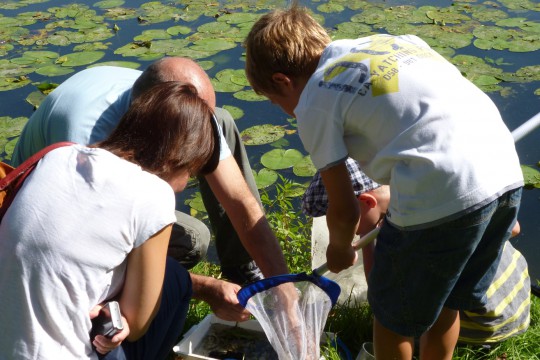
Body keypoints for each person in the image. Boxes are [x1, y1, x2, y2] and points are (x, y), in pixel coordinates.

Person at [244, 6, 524, 359]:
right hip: (504, 173)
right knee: (446, 302)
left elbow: (344, 210)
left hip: (441, 189)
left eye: (275, 100)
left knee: (392, 321)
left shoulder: (315, 97)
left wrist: (340, 248)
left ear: (283, 81)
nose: (283, 109)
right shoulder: (396, 42)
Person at [11, 57, 289, 286]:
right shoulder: (85, 143)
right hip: (50, 216)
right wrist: (206, 288)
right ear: (159, 120)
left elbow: (241, 203)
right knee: (192, 239)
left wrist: (281, 285)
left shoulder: (181, 103)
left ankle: (243, 270)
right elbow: (83, 250)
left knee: (223, 122)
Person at [0, 82, 219, 359]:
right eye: (191, 171)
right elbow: (137, 324)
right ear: (180, 157)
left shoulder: (57, 155)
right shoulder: (154, 194)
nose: (186, 182)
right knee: (174, 277)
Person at [303, 159, 531, 346]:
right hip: (518, 303)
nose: (349, 231)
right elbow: (515, 228)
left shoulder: (403, 233)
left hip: (485, 324)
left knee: (401, 317)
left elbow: (380, 297)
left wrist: (371, 240)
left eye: (345, 219)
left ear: (366, 202)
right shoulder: (430, 191)